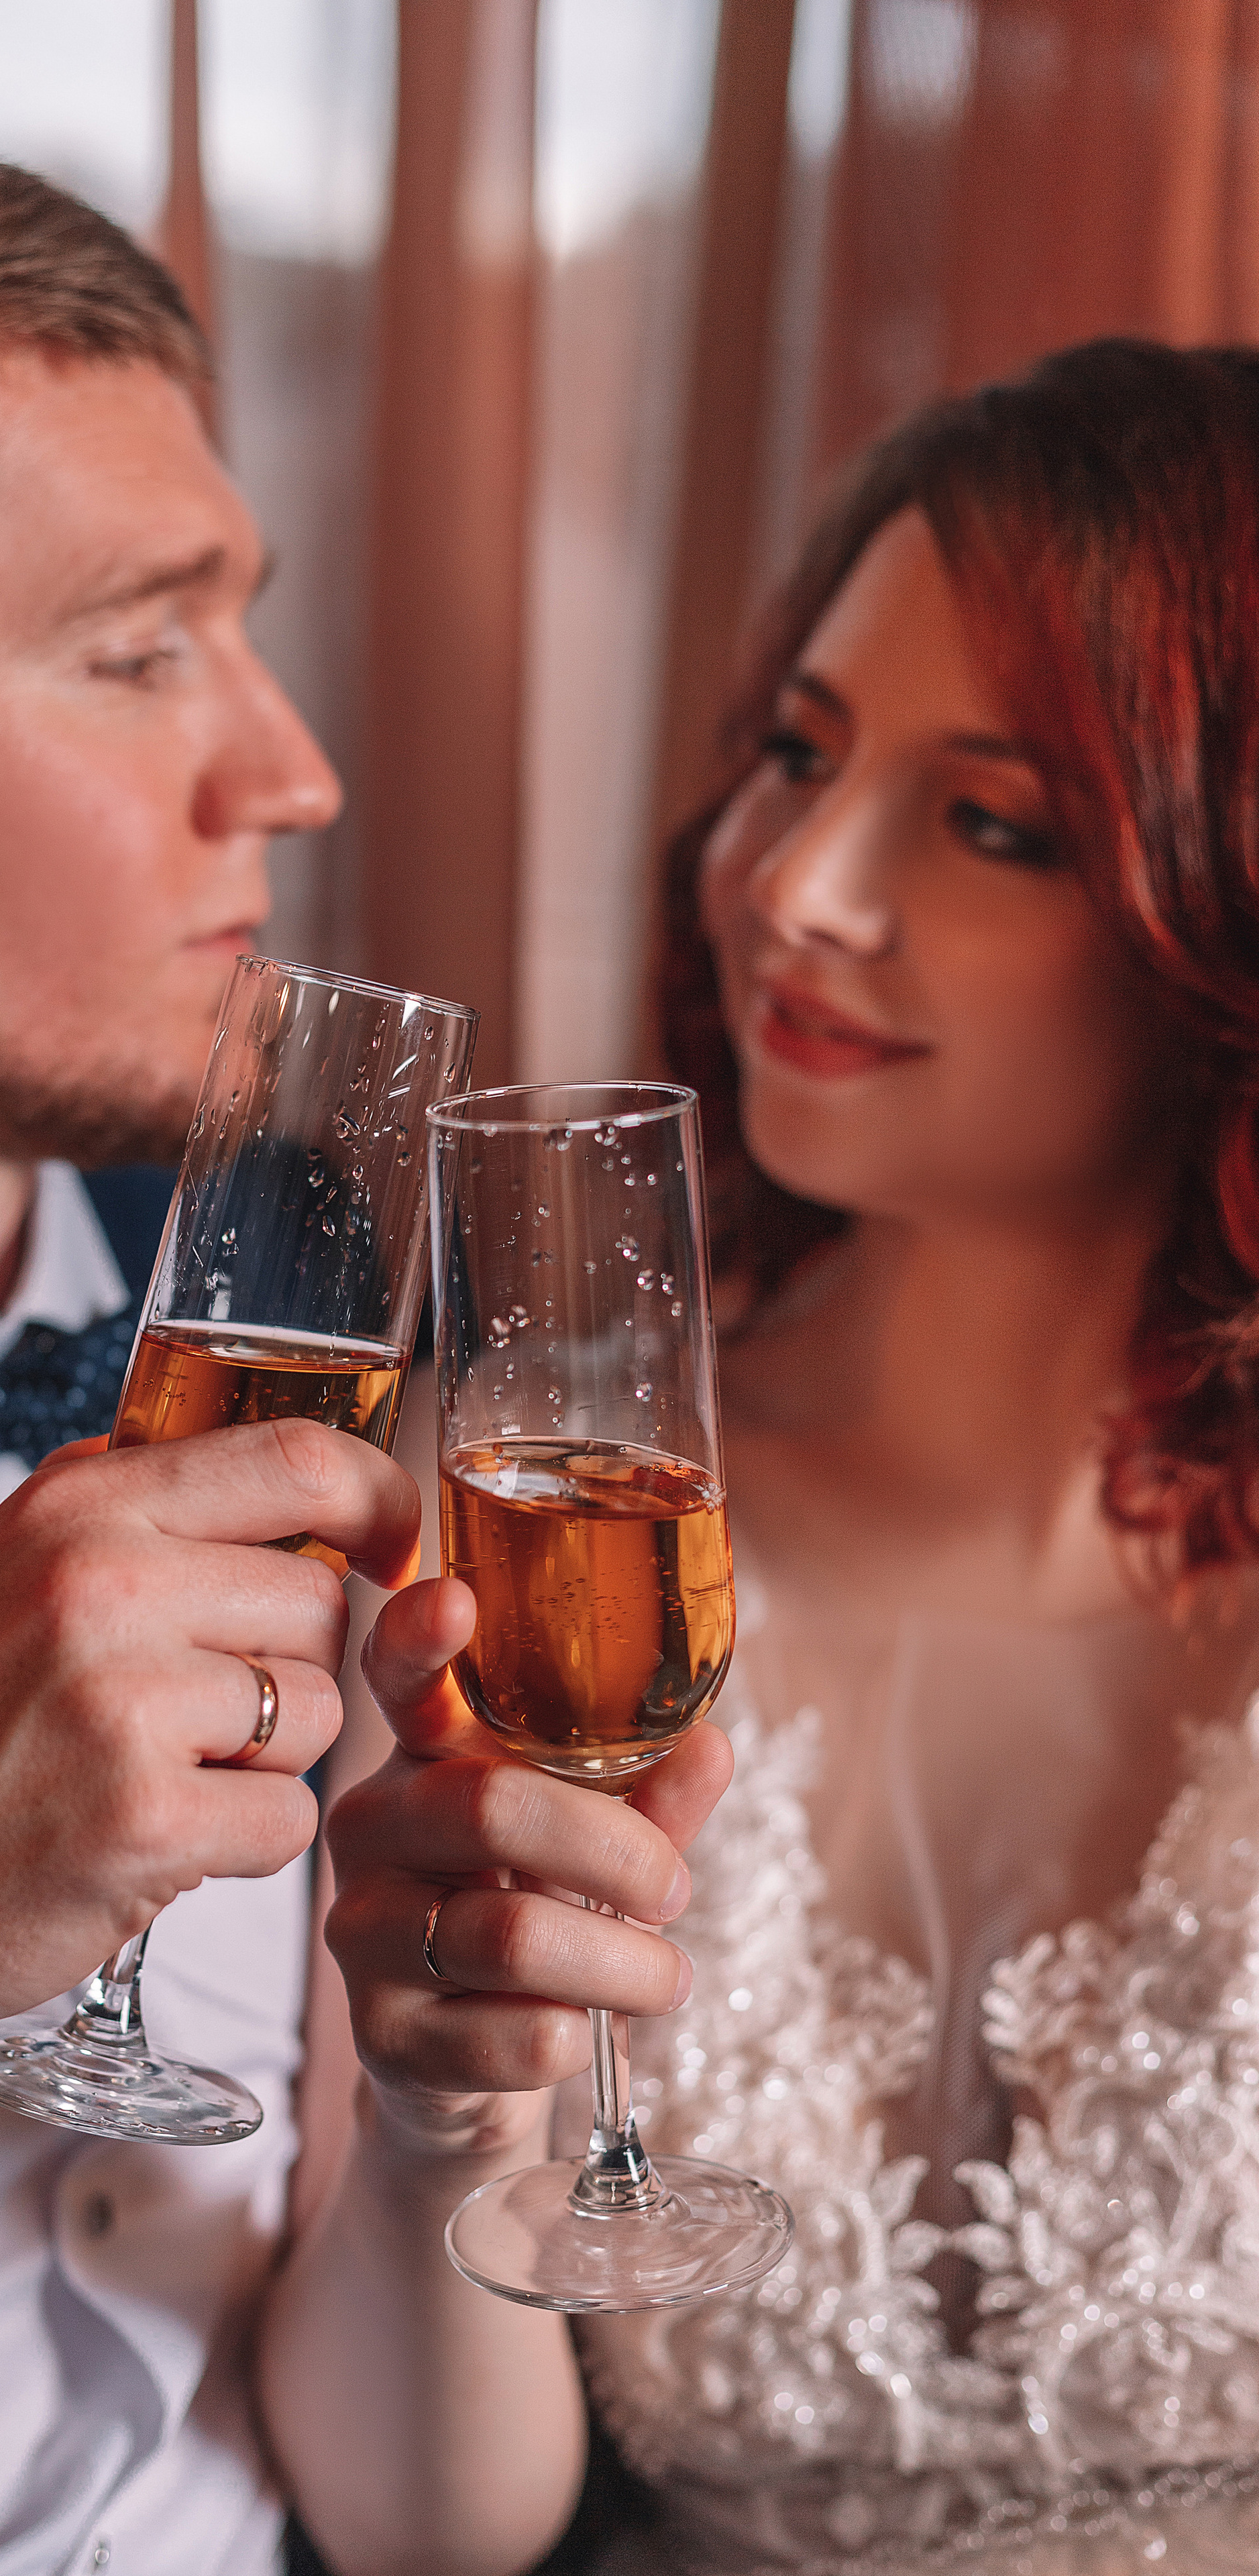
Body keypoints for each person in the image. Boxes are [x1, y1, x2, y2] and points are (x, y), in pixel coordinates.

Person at [0, 125, 729, 2576]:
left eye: (244, 624)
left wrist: (430, 2111)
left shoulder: (331, 1370)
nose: (283, 768)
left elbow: (412, 2525)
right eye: (135, 645)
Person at [276, 341, 1259, 2576]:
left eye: (989, 818)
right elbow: (421, 2535)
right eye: (798, 756)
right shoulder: (525, 1515)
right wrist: (444, 2124)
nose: (796, 882)